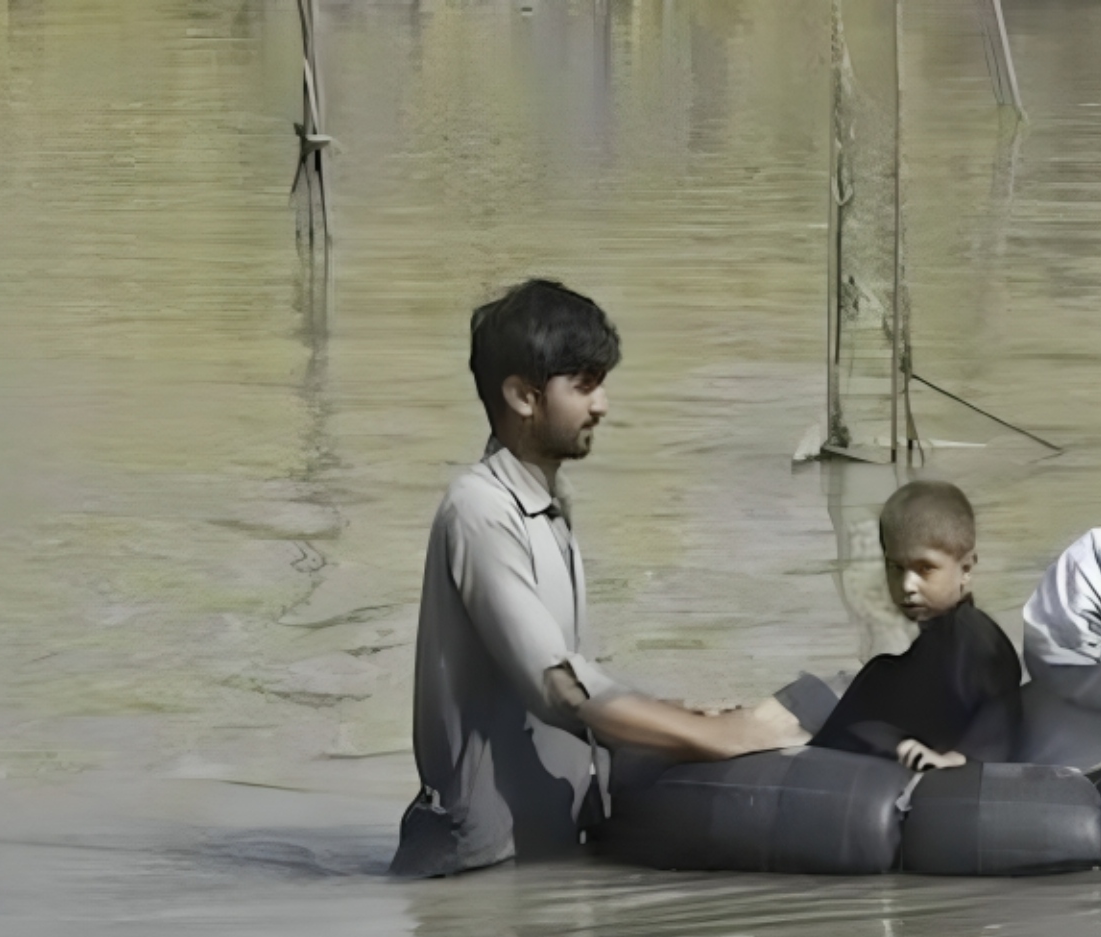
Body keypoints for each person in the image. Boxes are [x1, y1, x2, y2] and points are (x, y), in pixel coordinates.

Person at [391, 280, 805, 877]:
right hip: (477, 873)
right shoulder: (479, 511)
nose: (603, 405)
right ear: (523, 396)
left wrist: (686, 714)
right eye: (584, 386)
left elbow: (571, 681)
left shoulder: (549, 505)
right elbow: (560, 687)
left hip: (545, 857)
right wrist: (724, 737)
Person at [807, 480, 1022, 770]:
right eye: (896, 568)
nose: (908, 585)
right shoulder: (936, 641)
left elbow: (999, 708)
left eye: (925, 569)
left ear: (966, 569)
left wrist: (953, 759)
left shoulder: (975, 640)